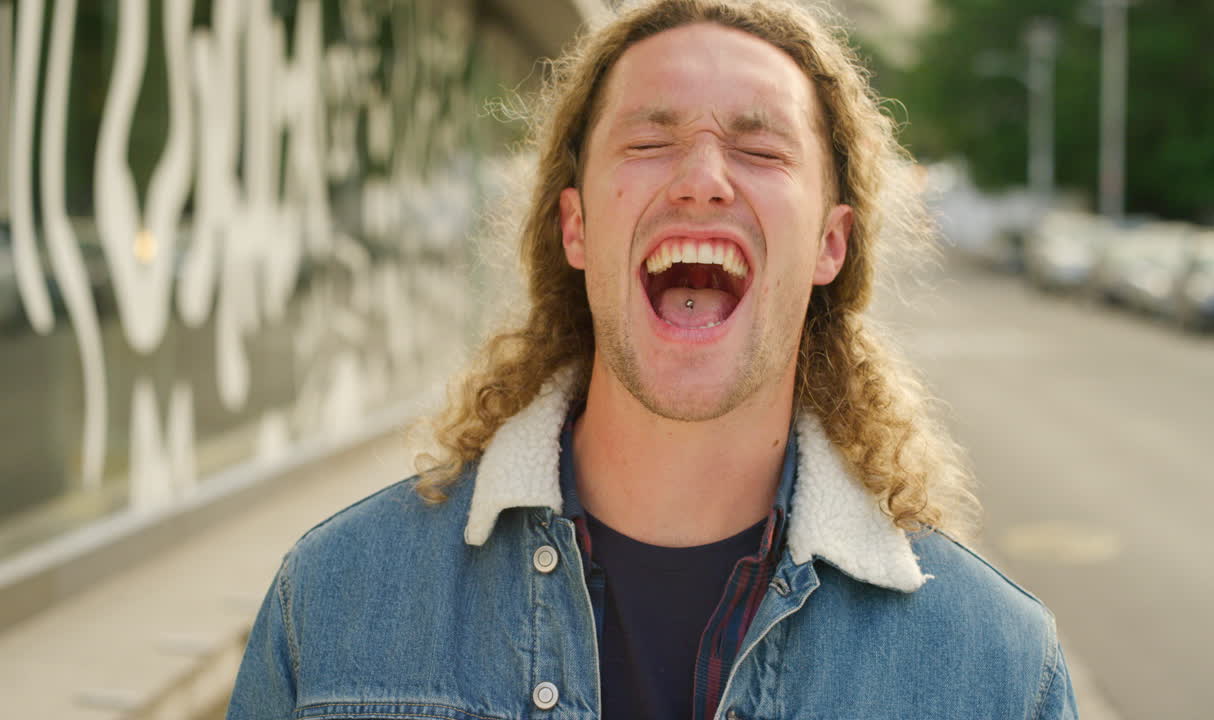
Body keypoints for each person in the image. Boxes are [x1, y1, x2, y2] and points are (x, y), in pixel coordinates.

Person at [228, 1, 1078, 718]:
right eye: (649, 141)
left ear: (829, 243)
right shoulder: (336, 602)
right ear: (577, 228)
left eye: (760, 148)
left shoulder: (996, 669)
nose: (703, 178)